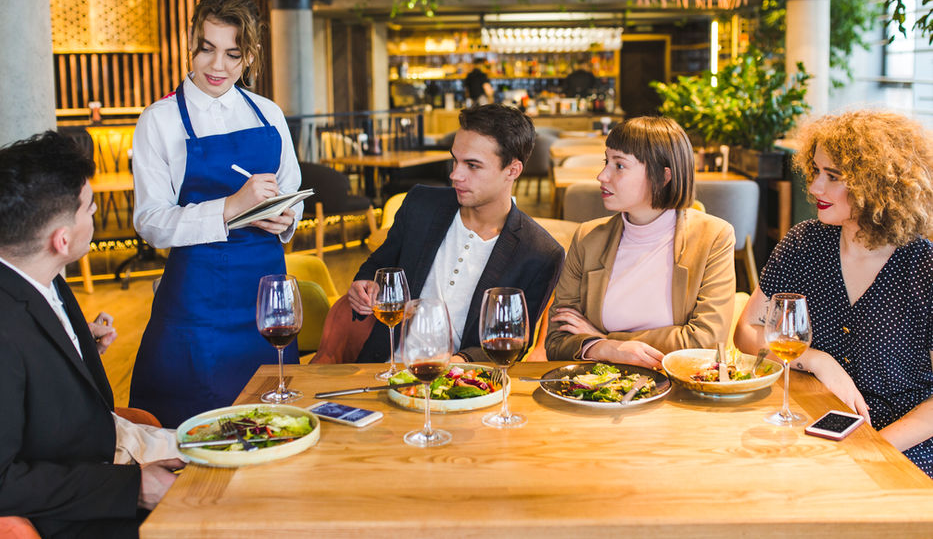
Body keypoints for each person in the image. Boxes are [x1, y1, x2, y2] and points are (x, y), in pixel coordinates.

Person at [129, 0, 303, 428]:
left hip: (267, 303)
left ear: (249, 56)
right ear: (192, 41)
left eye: (232, 53)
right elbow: (150, 222)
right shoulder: (160, 119)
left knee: (273, 425)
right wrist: (229, 206)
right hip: (196, 307)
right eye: (207, 49)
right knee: (194, 432)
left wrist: (286, 218)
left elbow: (292, 189)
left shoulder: (269, 114)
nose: (217, 66)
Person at [0, 131, 184, 538]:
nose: (94, 217)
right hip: (78, 512)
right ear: (61, 239)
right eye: (90, 209)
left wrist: (77, 345)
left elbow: (34, 366)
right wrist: (134, 488)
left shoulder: (38, 274)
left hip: (106, 452)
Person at [734, 110, 933, 478]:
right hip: (810, 427)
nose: (814, 188)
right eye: (815, 172)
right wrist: (815, 358)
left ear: (877, 184)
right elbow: (747, 330)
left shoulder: (924, 267)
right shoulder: (804, 243)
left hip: (901, 443)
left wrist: (876, 448)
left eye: (833, 176)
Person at [318, 104, 564, 363]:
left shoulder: (540, 253)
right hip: (382, 371)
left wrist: (460, 364)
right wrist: (363, 285)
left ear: (512, 170)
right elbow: (378, 265)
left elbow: (515, 340)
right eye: (455, 160)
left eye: (472, 165)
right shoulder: (421, 205)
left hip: (462, 386)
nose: (455, 175)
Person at [545, 116, 736, 365]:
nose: (602, 176)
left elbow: (705, 342)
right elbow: (557, 341)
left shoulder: (714, 237)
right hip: (601, 390)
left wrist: (604, 342)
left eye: (619, 166)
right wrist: (606, 347)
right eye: (606, 162)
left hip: (681, 391)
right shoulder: (588, 238)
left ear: (663, 176)